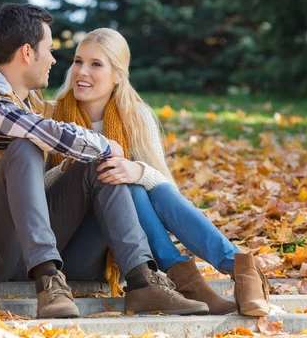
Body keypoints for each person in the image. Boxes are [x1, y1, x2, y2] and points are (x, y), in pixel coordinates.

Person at [0, 4, 210, 319]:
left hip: (26, 245)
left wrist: (119, 132)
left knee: (99, 167)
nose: (55, 60)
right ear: (28, 53)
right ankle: (48, 281)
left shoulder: (30, 103)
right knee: (26, 148)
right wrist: (104, 142)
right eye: (50, 50)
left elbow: (63, 126)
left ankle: (143, 282)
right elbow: (46, 132)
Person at [46, 28, 271, 317]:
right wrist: (73, 170)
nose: (82, 72)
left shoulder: (136, 116)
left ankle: (236, 268)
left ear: (118, 75)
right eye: (78, 61)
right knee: (119, 180)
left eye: (96, 64)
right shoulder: (52, 116)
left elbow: (166, 194)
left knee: (136, 182)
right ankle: (214, 274)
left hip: (124, 252)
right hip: (72, 249)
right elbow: (37, 192)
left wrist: (137, 170)